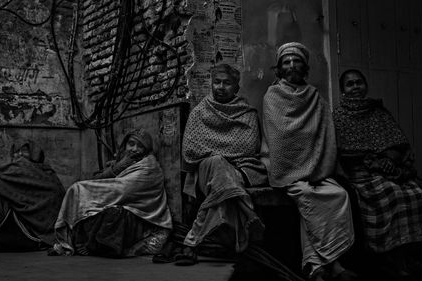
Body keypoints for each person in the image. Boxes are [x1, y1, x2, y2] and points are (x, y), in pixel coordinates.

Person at [333, 69, 422, 277]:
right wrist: (374, 162)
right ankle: (389, 257)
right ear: (343, 91)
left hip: (390, 169)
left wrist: (390, 159)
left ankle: (408, 254)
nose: (356, 87)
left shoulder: (379, 112)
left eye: (359, 82)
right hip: (362, 172)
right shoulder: (339, 117)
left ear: (365, 85)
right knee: (389, 195)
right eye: (350, 84)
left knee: (416, 194)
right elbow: (345, 153)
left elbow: (399, 144)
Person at [262, 42, 357, 281]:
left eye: (296, 61)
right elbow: (281, 138)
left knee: (338, 195)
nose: (292, 65)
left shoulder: (315, 96)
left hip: (316, 169)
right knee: (308, 195)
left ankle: (315, 267)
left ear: (304, 66)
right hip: (286, 170)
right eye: (286, 62)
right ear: (279, 68)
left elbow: (326, 135)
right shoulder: (272, 96)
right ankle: (333, 265)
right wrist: (302, 166)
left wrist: (316, 168)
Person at [178, 63, 268, 266]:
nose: (220, 86)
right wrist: (222, 153)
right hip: (206, 171)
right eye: (216, 82)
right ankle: (247, 212)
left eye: (227, 83)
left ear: (236, 88)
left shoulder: (248, 113)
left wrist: (213, 148)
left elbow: (248, 147)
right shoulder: (200, 112)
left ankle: (191, 243)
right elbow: (191, 150)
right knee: (218, 163)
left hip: (242, 169)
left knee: (222, 170)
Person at [50, 129, 172, 257]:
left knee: (114, 214)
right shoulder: (125, 161)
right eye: (131, 144)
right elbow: (97, 179)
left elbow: (122, 190)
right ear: (125, 144)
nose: (134, 149)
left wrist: (85, 190)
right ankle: (81, 242)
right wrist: (118, 166)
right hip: (124, 204)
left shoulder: (149, 167)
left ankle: (93, 246)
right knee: (87, 207)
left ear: (147, 149)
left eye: (140, 146)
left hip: (142, 217)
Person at [0, 141, 66, 252]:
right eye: (16, 152)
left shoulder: (46, 172)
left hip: (41, 225)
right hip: (22, 218)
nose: (19, 155)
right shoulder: (16, 169)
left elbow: (56, 196)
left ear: (34, 154)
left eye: (23, 151)